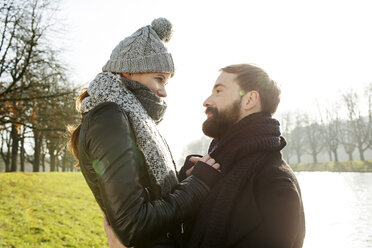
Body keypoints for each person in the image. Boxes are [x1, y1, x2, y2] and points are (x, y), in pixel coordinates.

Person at [68, 18, 221, 248]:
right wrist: (198, 184)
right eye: (159, 79)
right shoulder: (109, 117)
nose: (164, 92)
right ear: (129, 72)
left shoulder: (132, 119)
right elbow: (134, 223)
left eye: (167, 82)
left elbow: (144, 192)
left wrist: (183, 177)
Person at [182, 64, 306, 248]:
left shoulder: (276, 184)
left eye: (219, 91)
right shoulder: (216, 169)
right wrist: (187, 186)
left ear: (249, 100)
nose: (207, 101)